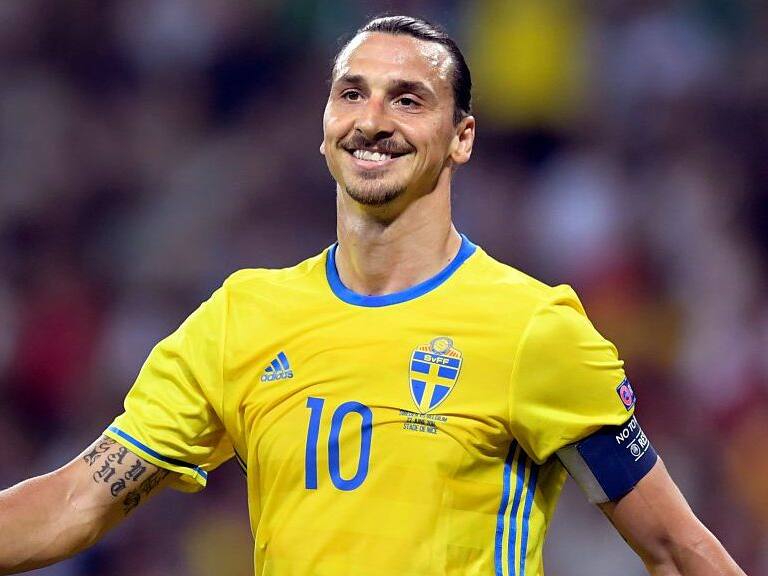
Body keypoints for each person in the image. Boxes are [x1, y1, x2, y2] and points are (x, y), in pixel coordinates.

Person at [0, 15, 747, 576]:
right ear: (324, 130)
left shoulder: (532, 328)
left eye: (408, 99)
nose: (373, 120)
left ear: (462, 138)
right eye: (351, 94)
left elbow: (678, 550)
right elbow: (76, 501)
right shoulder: (241, 318)